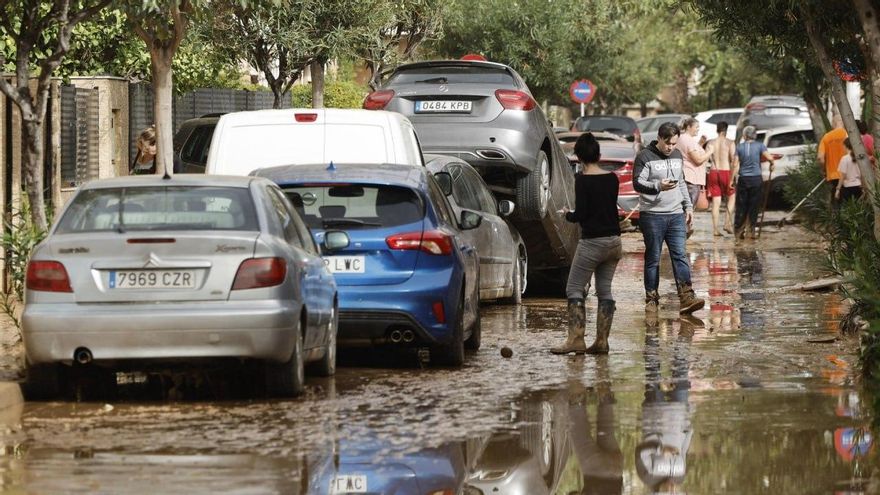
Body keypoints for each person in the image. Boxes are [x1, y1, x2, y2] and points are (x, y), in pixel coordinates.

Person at [552, 133, 623, 355]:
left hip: (592, 243)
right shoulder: (613, 179)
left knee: (574, 288)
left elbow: (582, 214)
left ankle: (576, 339)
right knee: (604, 290)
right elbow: (606, 208)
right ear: (599, 155)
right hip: (614, 243)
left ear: (579, 157)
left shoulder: (582, 180)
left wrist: (567, 215)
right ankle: (602, 342)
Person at [632, 122, 705, 315]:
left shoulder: (676, 155)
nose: (670, 147)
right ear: (659, 138)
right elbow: (637, 183)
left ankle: (687, 297)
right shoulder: (644, 157)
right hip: (652, 216)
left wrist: (688, 206)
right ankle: (652, 298)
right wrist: (658, 186)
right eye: (668, 143)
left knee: (680, 255)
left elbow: (681, 182)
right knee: (653, 258)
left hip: (675, 215)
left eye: (674, 144)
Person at [732, 125, 775, 240]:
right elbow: (770, 158)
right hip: (756, 179)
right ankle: (751, 231)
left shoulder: (739, 147)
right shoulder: (760, 146)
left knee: (741, 205)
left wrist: (732, 179)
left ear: (745, 135)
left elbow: (735, 164)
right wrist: (772, 164)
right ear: (754, 135)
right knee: (754, 206)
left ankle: (738, 230)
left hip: (743, 179)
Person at [676, 117, 711, 229]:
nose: (698, 129)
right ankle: (682, 234)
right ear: (689, 127)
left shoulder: (684, 138)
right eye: (696, 127)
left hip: (687, 177)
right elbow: (698, 160)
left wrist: (701, 143)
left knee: (685, 209)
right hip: (691, 179)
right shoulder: (687, 140)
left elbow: (690, 153)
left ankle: (682, 234)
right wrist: (710, 151)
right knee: (688, 210)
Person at [704, 121, 736, 237]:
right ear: (725, 131)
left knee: (716, 202)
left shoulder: (710, 142)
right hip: (726, 171)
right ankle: (727, 223)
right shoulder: (729, 142)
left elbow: (707, 158)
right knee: (732, 197)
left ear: (717, 130)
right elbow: (733, 160)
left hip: (713, 172)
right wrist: (733, 176)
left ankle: (715, 230)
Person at [817, 114, 847, 203]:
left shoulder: (826, 137)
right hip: (849, 174)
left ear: (833, 123)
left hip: (833, 175)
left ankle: (835, 215)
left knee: (836, 201)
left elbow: (820, 158)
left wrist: (824, 171)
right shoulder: (847, 135)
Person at [836, 138, 863, 202]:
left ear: (845, 146)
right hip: (859, 186)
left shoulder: (844, 159)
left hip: (848, 187)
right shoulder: (859, 157)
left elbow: (843, 175)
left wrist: (838, 189)